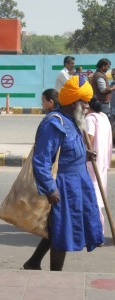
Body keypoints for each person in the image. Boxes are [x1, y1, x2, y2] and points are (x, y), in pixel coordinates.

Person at [23, 75, 104, 271]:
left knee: (58, 228)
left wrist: (84, 154)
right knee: (62, 230)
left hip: (79, 182)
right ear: (73, 102)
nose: (87, 106)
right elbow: (41, 160)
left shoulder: (73, 120)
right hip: (63, 185)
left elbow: (66, 151)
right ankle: (56, 277)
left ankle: (33, 262)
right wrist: (50, 189)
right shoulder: (53, 123)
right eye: (84, 102)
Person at [86, 96, 112, 233]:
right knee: (98, 194)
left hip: (92, 162)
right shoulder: (103, 117)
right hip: (101, 162)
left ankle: (96, 231)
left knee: (93, 196)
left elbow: (89, 138)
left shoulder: (90, 118)